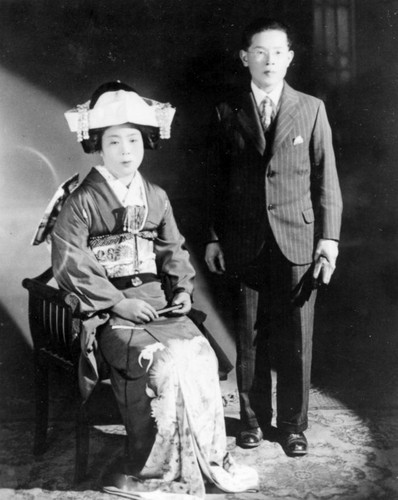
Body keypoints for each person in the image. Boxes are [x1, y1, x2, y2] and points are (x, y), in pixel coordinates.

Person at [51, 81, 258, 499]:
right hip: (106, 313)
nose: (126, 150)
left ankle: (206, 458)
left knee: (196, 354)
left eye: (133, 139)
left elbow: (173, 251)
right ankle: (150, 470)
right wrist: (118, 302)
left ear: (145, 142)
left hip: (159, 306)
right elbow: (70, 262)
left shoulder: (156, 197)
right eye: (114, 141)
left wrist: (181, 291)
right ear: (97, 145)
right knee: (160, 360)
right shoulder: (80, 201)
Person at [205, 18, 343, 456]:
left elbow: (327, 180)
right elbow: (214, 181)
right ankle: (250, 421)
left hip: (299, 239)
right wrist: (212, 238)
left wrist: (330, 240)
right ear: (245, 57)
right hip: (244, 240)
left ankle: (293, 426)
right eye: (260, 52)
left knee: (297, 338)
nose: (269, 61)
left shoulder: (311, 108)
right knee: (248, 337)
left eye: (277, 52)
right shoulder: (226, 111)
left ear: (289, 59)